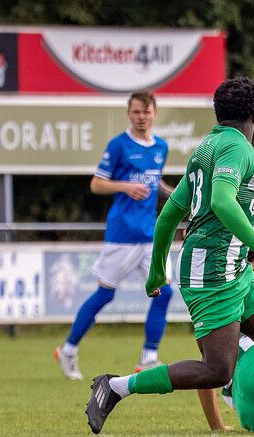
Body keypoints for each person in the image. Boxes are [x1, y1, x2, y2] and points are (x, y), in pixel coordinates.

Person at [84, 76, 254, 437]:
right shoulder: (237, 148)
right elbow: (224, 205)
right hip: (211, 272)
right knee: (216, 370)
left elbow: (169, 216)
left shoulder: (205, 148)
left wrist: (156, 271)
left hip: (233, 268)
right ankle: (115, 387)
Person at [55, 91, 174, 380]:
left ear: (155, 113)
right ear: (128, 113)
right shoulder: (119, 145)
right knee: (105, 295)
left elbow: (154, 182)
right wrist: (125, 187)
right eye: (136, 112)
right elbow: (96, 184)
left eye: (146, 112)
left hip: (150, 235)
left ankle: (149, 357)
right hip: (122, 235)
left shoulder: (161, 146)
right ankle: (68, 350)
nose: (141, 117)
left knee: (165, 292)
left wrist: (178, 198)